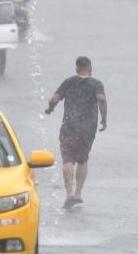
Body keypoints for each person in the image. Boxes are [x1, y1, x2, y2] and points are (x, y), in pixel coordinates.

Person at [45, 56, 107, 209]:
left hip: (70, 125)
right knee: (83, 159)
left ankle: (69, 194)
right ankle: (78, 193)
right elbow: (102, 99)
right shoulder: (96, 84)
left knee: (68, 160)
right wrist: (104, 118)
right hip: (88, 128)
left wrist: (50, 109)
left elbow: (53, 99)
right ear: (90, 68)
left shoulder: (69, 82)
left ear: (76, 69)